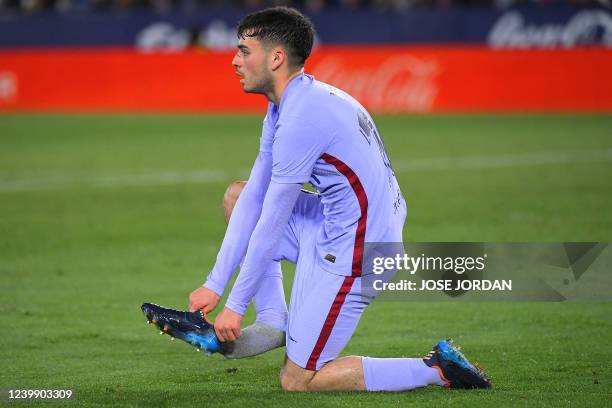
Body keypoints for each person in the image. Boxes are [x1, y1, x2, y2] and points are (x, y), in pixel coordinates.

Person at [142, 6, 492, 392]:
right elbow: (256, 197)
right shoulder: (287, 103)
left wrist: (235, 306)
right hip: (333, 225)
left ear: (276, 58)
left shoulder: (301, 118)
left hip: (359, 252)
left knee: (299, 380)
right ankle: (274, 321)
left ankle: (436, 368)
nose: (234, 59)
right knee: (238, 196)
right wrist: (213, 285)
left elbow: (272, 221)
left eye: (244, 50)